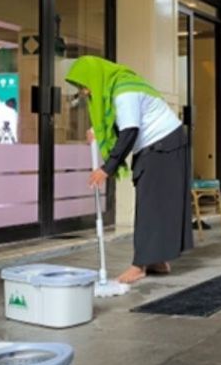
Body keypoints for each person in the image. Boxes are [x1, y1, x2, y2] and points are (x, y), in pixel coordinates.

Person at [65, 56, 192, 284]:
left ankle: (139, 265)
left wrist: (107, 168)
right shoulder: (115, 86)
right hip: (163, 144)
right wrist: (97, 131)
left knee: (149, 204)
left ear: (95, 77)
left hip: (163, 145)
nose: (84, 92)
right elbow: (117, 120)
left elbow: (129, 131)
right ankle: (156, 259)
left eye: (84, 85)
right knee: (157, 204)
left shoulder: (124, 91)